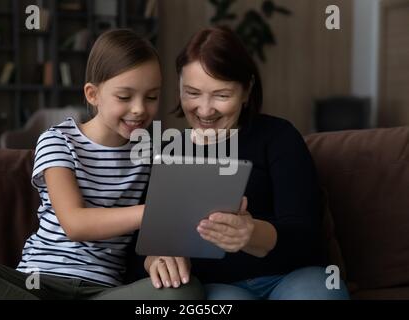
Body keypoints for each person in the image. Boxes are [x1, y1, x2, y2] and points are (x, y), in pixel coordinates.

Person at [0, 29, 204, 300]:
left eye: (151, 97)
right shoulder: (58, 140)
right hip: (36, 284)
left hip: (102, 292)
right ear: (93, 94)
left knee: (186, 290)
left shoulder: (153, 151)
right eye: (124, 97)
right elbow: (75, 223)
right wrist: (157, 211)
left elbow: (165, 230)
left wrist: (164, 252)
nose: (139, 109)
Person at [143, 26, 350, 300]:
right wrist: (154, 259)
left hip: (291, 276)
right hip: (218, 287)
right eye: (192, 93)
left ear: (247, 90)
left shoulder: (279, 137)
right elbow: (141, 244)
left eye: (222, 95)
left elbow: (307, 237)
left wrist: (253, 235)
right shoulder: (167, 149)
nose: (205, 110)